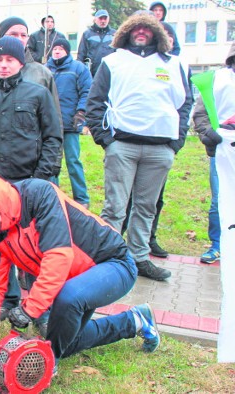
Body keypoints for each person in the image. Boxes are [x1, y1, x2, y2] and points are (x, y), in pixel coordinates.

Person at [0, 172, 161, 374]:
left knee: (68, 300)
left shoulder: (38, 194)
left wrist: (31, 308)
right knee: (66, 343)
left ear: (0, 201)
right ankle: (135, 320)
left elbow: (58, 257)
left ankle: (46, 364)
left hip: (113, 264)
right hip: (73, 280)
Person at [86, 12, 192, 281]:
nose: (142, 32)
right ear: (127, 32)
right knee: (115, 207)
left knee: (146, 207)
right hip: (122, 145)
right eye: (136, 28)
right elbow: (95, 101)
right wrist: (105, 140)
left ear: (156, 32)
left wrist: (175, 143)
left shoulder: (175, 64)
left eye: (147, 28)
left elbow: (186, 103)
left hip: (160, 149)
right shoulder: (113, 61)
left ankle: (139, 257)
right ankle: (108, 257)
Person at [0, 17, 63, 318]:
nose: (4, 65)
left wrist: (40, 179)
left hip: (29, 186)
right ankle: (4, 301)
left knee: (33, 249)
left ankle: (38, 305)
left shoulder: (37, 94)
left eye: (10, 59)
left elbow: (52, 136)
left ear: (21, 62)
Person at [193, 42, 235, 264]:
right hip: (224, 149)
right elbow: (200, 113)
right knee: (220, 198)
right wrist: (209, 134)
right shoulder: (218, 79)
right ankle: (218, 244)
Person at [46, 38, 92, 207]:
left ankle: (81, 198)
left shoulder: (78, 68)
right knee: (51, 163)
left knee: (73, 161)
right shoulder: (46, 69)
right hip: (50, 125)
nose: (57, 51)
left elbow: (87, 91)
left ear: (67, 51)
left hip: (70, 124)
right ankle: (53, 196)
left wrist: (81, 112)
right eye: (54, 48)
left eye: (61, 48)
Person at [76, 9, 116, 77]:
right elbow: (81, 54)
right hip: (91, 73)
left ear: (108, 19)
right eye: (100, 18)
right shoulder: (87, 34)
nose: (103, 21)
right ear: (95, 19)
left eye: (105, 18)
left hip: (111, 72)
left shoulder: (114, 34)